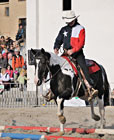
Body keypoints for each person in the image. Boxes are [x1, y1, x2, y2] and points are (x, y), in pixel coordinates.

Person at [53, 10, 98, 102]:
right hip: (65, 53)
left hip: (77, 54)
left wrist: (73, 50)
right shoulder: (63, 29)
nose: (69, 23)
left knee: (83, 68)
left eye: (70, 21)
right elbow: (58, 39)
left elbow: (81, 43)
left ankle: (90, 87)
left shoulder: (81, 28)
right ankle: (51, 89)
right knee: (56, 67)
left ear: (75, 19)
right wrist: (56, 47)